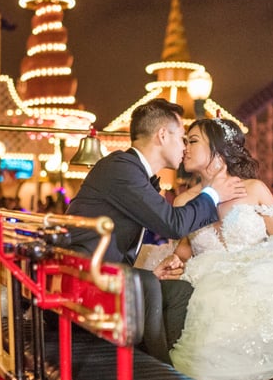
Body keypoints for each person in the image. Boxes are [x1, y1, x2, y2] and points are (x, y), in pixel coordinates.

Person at [65, 98, 246, 362]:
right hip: (85, 278)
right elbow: (172, 223)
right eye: (183, 138)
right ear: (163, 135)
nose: (185, 147)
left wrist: (148, 272)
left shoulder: (131, 171)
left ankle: (164, 367)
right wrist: (213, 194)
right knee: (153, 286)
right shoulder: (121, 169)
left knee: (178, 291)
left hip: (99, 271)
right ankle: (158, 370)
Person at [165, 118, 273, 380]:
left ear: (218, 150)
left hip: (256, 277)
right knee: (211, 309)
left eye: (193, 140)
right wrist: (175, 260)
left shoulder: (254, 189)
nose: (185, 147)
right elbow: (183, 251)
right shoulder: (184, 200)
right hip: (207, 282)